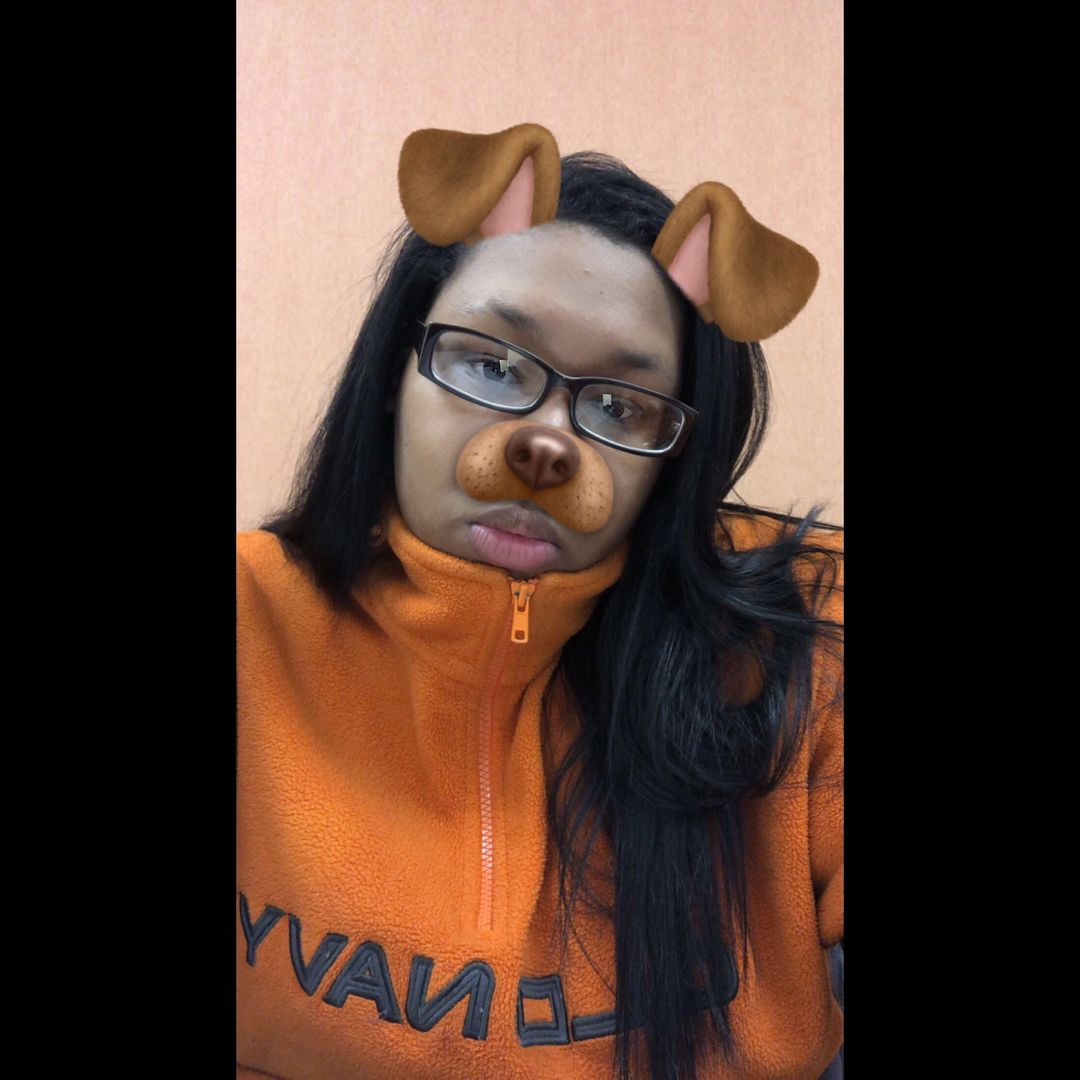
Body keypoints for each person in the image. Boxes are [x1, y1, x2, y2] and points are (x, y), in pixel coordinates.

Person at [237, 123, 844, 1080]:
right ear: (397, 372)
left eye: (620, 406)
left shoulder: (803, 654)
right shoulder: (250, 621)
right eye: (491, 364)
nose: (548, 444)